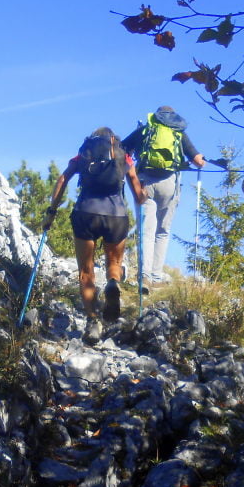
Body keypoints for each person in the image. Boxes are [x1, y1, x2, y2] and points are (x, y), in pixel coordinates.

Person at [42, 126, 146, 343]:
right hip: (116, 216)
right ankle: (113, 282)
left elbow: (63, 179)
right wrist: (143, 193)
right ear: (113, 140)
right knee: (114, 263)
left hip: (85, 213)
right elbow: (138, 195)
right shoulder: (123, 156)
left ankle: (92, 321)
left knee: (86, 271)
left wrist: (52, 211)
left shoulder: (83, 154)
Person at [122, 106, 205, 290]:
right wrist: (200, 160)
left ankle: (144, 276)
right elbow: (198, 160)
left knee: (146, 230)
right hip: (169, 184)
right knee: (162, 231)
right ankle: (156, 276)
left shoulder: (146, 129)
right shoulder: (178, 132)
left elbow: (122, 149)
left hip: (144, 183)